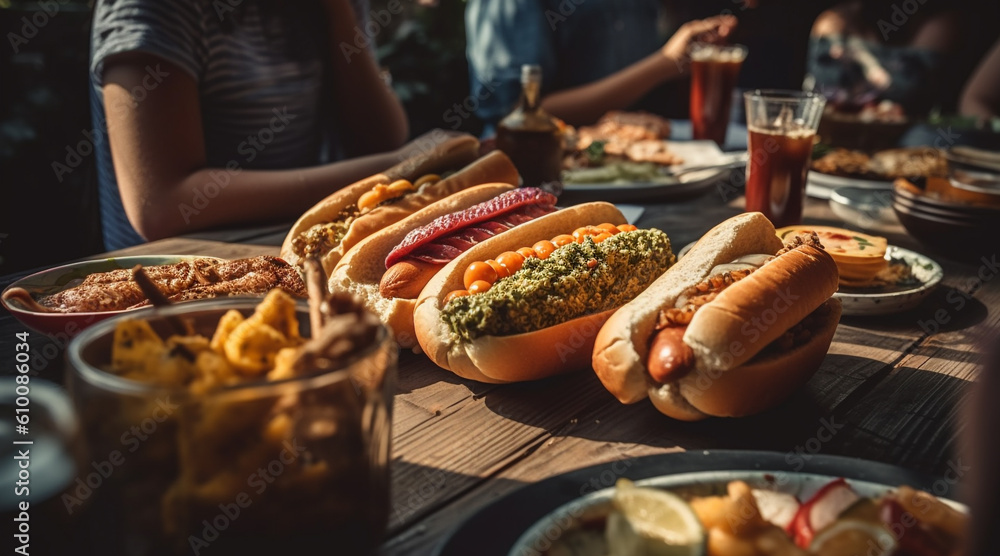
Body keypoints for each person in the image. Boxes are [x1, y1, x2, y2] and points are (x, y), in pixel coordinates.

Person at [90, 0, 431, 250]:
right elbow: (161, 205)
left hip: (292, 259)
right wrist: (397, 170)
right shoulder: (153, 10)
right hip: (171, 290)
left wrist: (338, 11)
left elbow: (381, 138)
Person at [464, 0, 736, 133]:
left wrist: (682, 57)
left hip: (638, 175)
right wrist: (664, 64)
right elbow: (516, 113)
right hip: (540, 183)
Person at [803, 0, 962, 117]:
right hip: (836, 132)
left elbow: (912, 95)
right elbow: (823, 95)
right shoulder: (835, 21)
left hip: (906, 138)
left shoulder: (938, 22)